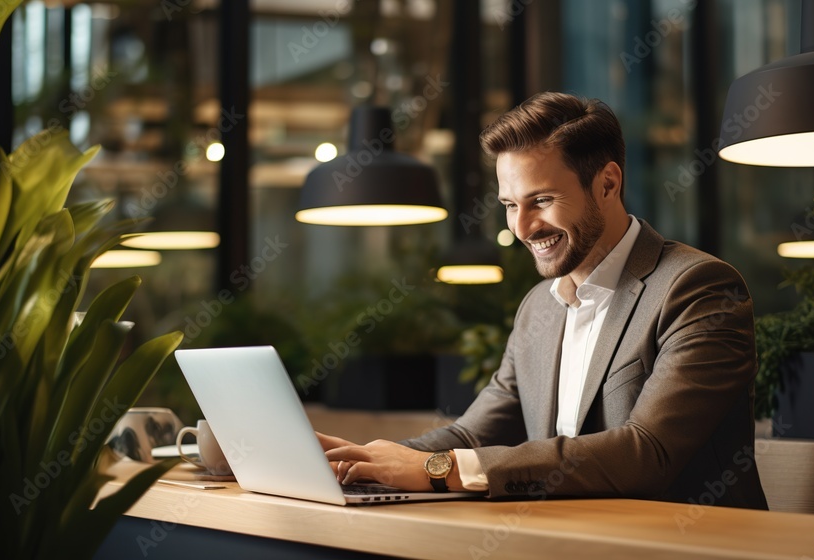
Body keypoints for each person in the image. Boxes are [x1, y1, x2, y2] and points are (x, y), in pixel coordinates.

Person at [319, 91, 769, 509]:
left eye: (542, 200)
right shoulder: (540, 305)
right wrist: (353, 460)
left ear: (608, 184)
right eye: (511, 205)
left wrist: (439, 470)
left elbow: (646, 453)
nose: (523, 227)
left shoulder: (699, 288)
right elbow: (472, 435)